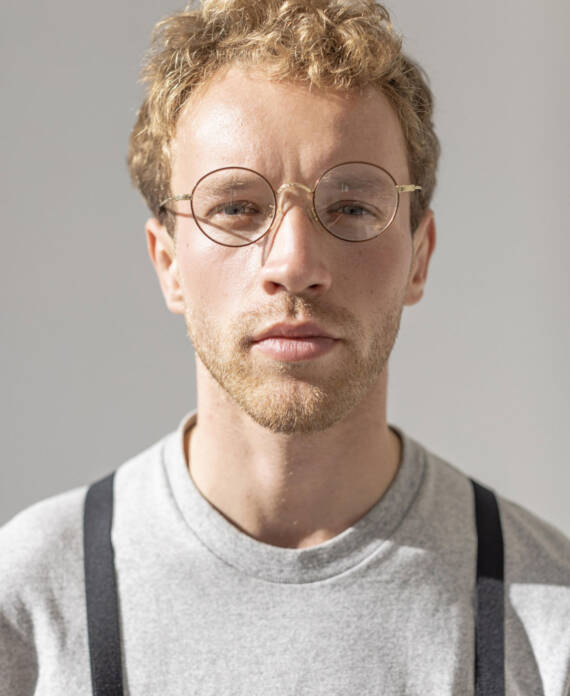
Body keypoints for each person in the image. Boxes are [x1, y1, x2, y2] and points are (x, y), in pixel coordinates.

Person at [1, 1, 569, 694]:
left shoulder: (550, 619)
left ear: (418, 258)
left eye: (351, 207)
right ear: (168, 263)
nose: (295, 263)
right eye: (236, 207)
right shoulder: (27, 604)